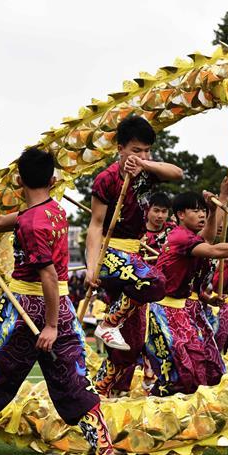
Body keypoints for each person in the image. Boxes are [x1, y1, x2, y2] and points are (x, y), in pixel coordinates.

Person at [0, 147, 136, 455]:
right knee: (75, 381)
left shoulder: (31, 223)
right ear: (53, 179)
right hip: (61, 307)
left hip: (26, 311)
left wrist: (51, 327)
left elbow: (46, 275)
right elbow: (2, 222)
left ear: (18, 180)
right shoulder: (55, 212)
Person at [85, 117, 182, 395]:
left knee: (132, 342)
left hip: (134, 256)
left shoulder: (147, 172)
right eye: (136, 150)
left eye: (147, 151)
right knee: (156, 283)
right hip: (110, 253)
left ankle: (104, 393)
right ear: (120, 149)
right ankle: (108, 322)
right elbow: (95, 226)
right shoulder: (106, 179)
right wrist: (93, 267)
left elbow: (177, 174)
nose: (143, 156)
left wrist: (145, 164)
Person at [145, 189, 228, 394]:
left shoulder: (191, 237)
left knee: (210, 365)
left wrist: (215, 209)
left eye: (203, 211)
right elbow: (215, 250)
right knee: (182, 372)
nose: (202, 215)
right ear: (180, 214)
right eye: (196, 211)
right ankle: (155, 407)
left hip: (184, 310)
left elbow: (209, 240)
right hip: (163, 310)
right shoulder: (180, 237)